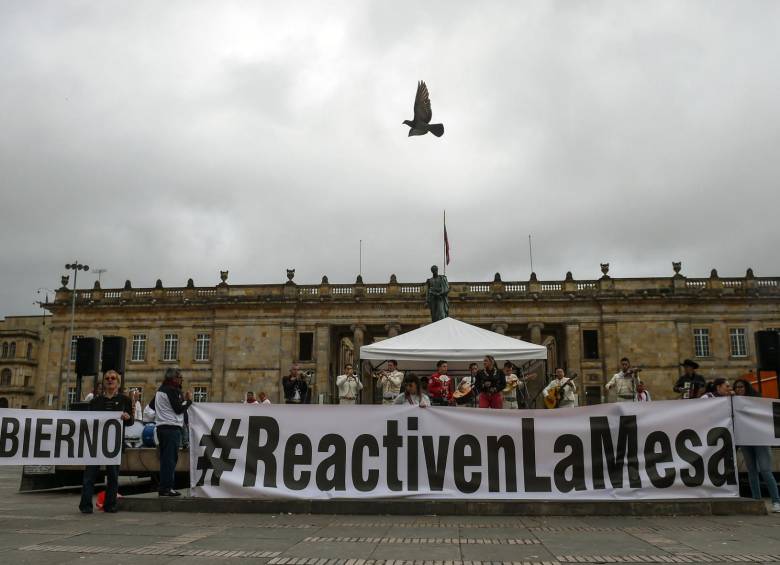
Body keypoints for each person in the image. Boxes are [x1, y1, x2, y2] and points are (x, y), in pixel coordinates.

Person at [79, 370, 134, 514]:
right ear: (103, 382)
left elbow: (131, 422)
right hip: (96, 443)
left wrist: (127, 417)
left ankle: (110, 505)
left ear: (118, 382)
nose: (110, 380)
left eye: (113, 378)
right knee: (89, 476)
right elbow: (88, 422)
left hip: (114, 444)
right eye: (107, 378)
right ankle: (85, 505)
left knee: (113, 477)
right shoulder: (96, 401)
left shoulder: (125, 400)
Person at [733, 379, 780, 512]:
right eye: (736, 387)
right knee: (751, 471)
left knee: (765, 470)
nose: (738, 389)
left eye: (741, 386)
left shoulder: (757, 400)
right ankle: (756, 500)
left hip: (760, 440)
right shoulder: (735, 403)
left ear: (746, 387)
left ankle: (776, 501)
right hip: (746, 440)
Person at [150, 368, 192, 497]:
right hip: (171, 428)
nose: (181, 381)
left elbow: (151, 407)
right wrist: (188, 401)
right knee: (170, 460)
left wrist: (162, 412)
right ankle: (166, 488)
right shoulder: (173, 390)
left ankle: (164, 487)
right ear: (174, 378)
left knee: (165, 459)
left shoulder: (160, 390)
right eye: (180, 378)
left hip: (161, 428)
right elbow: (179, 409)